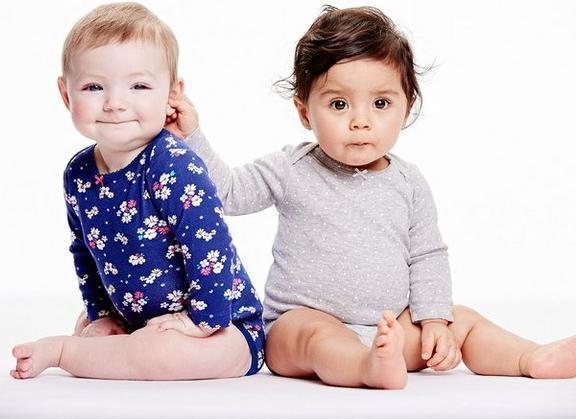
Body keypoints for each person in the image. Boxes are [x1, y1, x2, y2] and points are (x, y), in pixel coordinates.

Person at [168, 6, 576, 389]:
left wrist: (434, 320)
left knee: (462, 321)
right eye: (339, 104)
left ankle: (531, 358)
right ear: (305, 112)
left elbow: (427, 254)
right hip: (301, 324)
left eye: (381, 103)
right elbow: (227, 193)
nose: (360, 121)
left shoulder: (408, 182)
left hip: (389, 327)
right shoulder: (290, 168)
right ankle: (366, 368)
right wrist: (192, 138)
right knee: (315, 337)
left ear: (406, 108)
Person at [10, 2, 265, 380]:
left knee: (163, 352)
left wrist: (203, 321)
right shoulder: (79, 173)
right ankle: (108, 343)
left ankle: (65, 352)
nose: (115, 104)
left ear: (171, 94)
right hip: (137, 318)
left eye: (139, 86)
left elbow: (211, 247)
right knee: (95, 327)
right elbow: (84, 250)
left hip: (225, 325)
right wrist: (101, 314)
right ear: (66, 95)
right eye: (94, 87)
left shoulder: (174, 165)